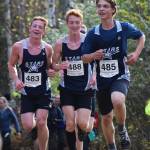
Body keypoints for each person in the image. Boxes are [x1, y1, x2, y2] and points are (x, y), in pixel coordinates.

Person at [81, 0, 145, 150]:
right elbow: (84, 58)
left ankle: (122, 129)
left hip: (120, 75)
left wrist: (136, 54)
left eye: (105, 6)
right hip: (102, 80)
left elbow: (141, 36)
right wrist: (93, 55)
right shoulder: (93, 33)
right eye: (99, 6)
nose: (101, 9)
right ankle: (112, 146)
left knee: (117, 100)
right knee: (106, 117)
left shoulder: (122, 27)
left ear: (113, 9)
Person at [8, 16, 55, 150]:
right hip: (27, 92)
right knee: (28, 126)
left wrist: (51, 71)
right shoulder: (18, 46)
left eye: (40, 27)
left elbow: (50, 67)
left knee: (41, 122)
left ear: (43, 31)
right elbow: (11, 65)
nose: (37, 29)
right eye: (35, 26)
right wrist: (16, 79)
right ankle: (36, 126)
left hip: (43, 90)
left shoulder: (47, 48)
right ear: (30, 28)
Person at [52, 9, 94, 150]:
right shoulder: (60, 43)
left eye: (77, 22)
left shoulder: (88, 41)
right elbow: (53, 64)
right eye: (71, 22)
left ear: (81, 23)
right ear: (67, 24)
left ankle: (85, 133)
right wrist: (59, 66)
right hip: (67, 88)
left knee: (82, 124)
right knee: (70, 124)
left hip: (85, 87)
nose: (74, 25)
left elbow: (97, 62)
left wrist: (94, 77)